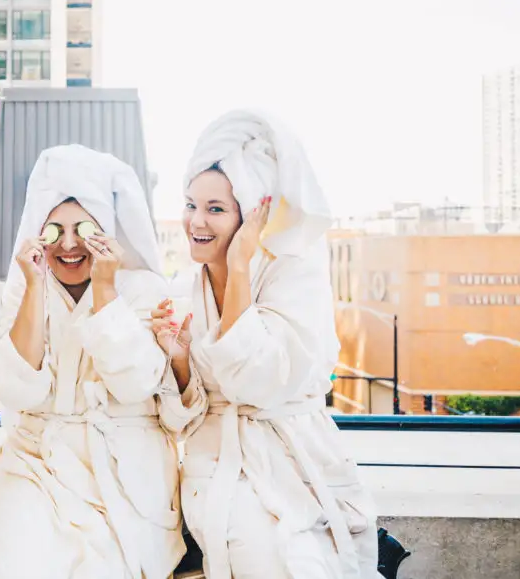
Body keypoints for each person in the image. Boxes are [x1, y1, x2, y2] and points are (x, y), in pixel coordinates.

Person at [152, 110, 381, 578]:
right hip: (217, 464)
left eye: (216, 209)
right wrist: (177, 361)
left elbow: (259, 382)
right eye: (191, 204)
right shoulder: (180, 292)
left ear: (251, 217)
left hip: (295, 456)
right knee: (255, 548)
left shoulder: (295, 276)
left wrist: (239, 269)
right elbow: (178, 418)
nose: (196, 220)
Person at [0, 144, 202, 579]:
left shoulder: (144, 290)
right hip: (35, 463)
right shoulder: (24, 287)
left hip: (124, 470)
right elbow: (16, 390)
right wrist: (31, 289)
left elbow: (136, 386)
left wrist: (106, 290)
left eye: (84, 229)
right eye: (54, 230)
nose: (68, 244)